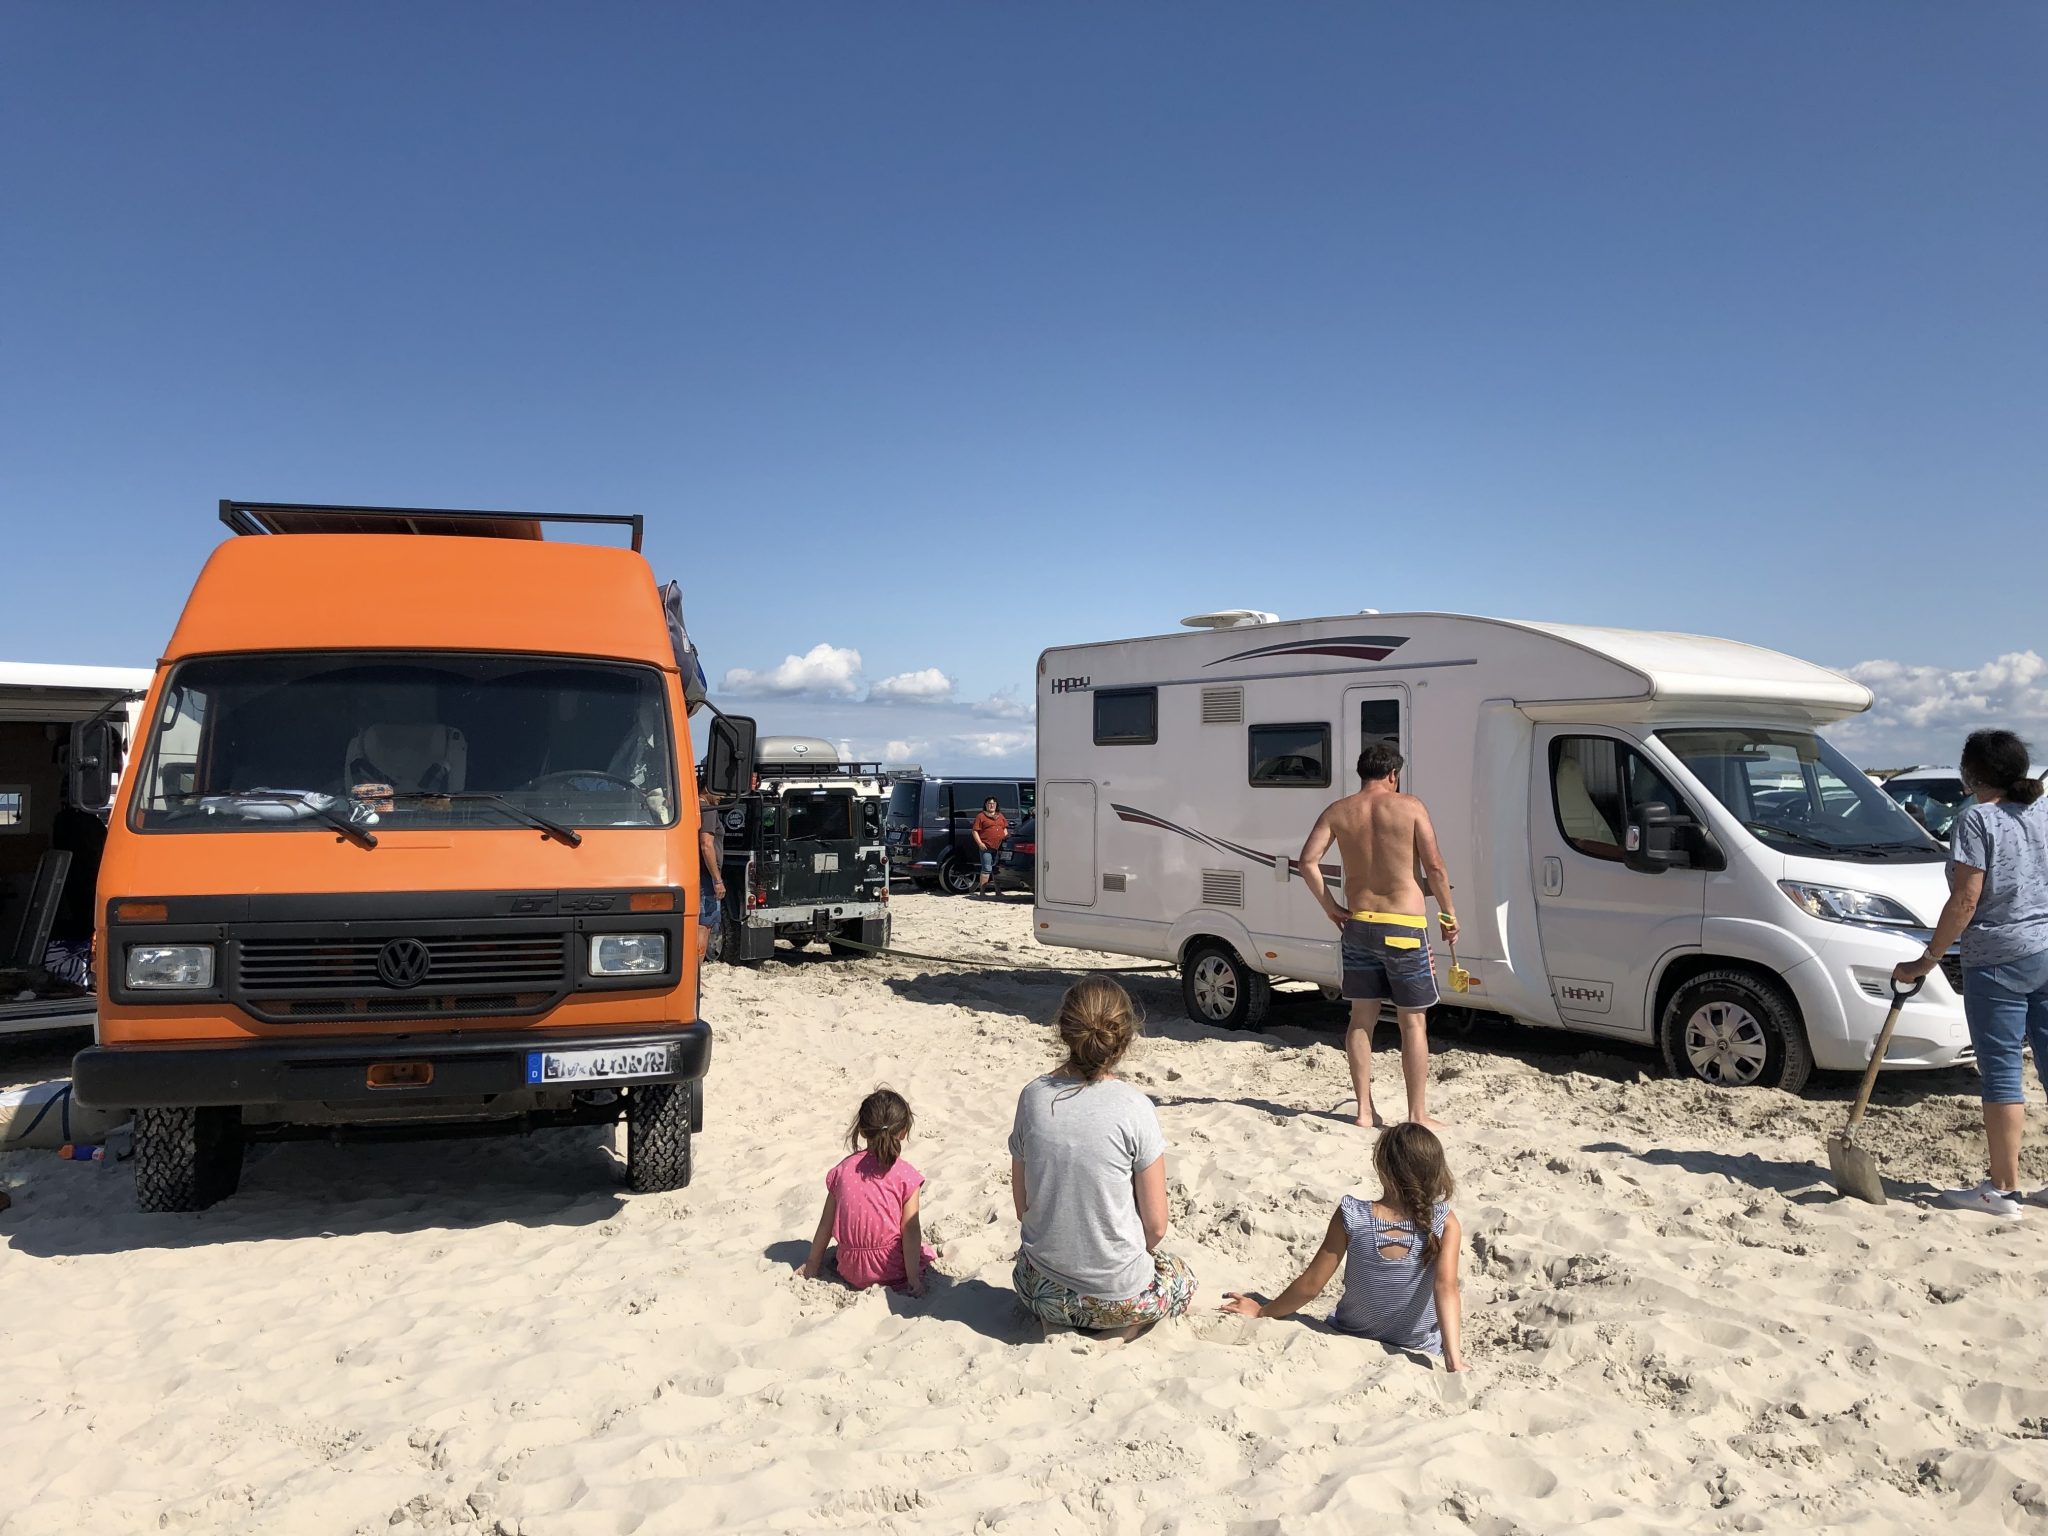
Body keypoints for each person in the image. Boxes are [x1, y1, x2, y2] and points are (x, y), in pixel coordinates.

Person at [1893, 729, 2048, 1216]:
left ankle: (2002, 1190)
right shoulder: (2042, 811)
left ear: (1973, 774)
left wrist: (1928, 958)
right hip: (2046, 948)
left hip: (1997, 959)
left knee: (2002, 1074)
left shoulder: (1977, 819)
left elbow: (1965, 900)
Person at [1009, 977, 1196, 1336]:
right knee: (1181, 1276)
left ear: (1064, 1031)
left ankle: (1064, 1316)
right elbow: (1156, 1228)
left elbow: (1022, 1208)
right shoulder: (1135, 1107)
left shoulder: (1032, 1097)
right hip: (1117, 1299)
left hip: (1037, 1288)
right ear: (1124, 1038)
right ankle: (1124, 1328)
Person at [1298, 742, 1458, 1130]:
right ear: (1392, 775)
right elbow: (1434, 867)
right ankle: (1417, 1115)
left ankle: (1364, 1111)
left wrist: (1331, 907)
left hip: (1359, 925)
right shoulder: (1410, 806)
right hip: (1403, 927)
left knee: (1360, 1020)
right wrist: (1449, 914)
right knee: (1413, 1023)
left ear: (1362, 773)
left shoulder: (1339, 811)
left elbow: (1307, 862)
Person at [1219, 1122, 1466, 1371]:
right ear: (1434, 1171)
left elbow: (1311, 1286)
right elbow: (1446, 1288)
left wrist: (1263, 1312)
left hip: (1353, 1335)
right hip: (1416, 1344)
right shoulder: (1444, 1222)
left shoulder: (1353, 1214)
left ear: (1382, 1168)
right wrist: (1453, 1359)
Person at [800, 1088, 935, 1293]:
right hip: (890, 1270)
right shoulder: (906, 1175)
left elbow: (826, 1224)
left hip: (850, 1268)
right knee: (925, 1251)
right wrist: (913, 1278)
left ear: (862, 1130)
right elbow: (911, 1230)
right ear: (904, 1131)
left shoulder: (842, 1170)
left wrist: (812, 1263)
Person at [698, 789, 728, 952]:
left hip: (695, 873)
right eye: (718, 791)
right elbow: (706, 844)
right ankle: (696, 972)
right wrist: (717, 880)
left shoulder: (693, 806)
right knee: (704, 924)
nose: (722, 795)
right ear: (707, 788)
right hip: (706, 877)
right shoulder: (708, 809)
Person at [971, 796, 1009, 895]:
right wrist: (980, 843)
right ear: (986, 805)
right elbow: (975, 831)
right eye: (989, 803)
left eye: (993, 803)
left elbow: (1004, 828)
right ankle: (982, 893)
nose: (992, 805)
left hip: (999, 847)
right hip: (986, 847)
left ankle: (998, 891)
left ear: (996, 805)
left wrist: (1005, 839)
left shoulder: (1000, 816)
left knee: (996, 870)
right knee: (986, 869)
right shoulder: (981, 816)